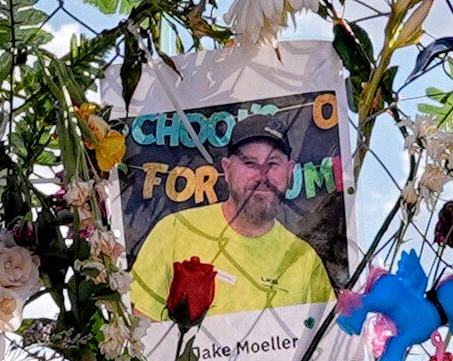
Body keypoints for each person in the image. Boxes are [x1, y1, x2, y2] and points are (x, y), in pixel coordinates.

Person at [125, 117, 330, 316]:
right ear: (227, 169)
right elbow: (141, 327)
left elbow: (326, 343)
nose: (262, 175)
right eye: (250, 163)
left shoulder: (304, 260)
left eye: (273, 163)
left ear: (290, 170)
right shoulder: (174, 231)